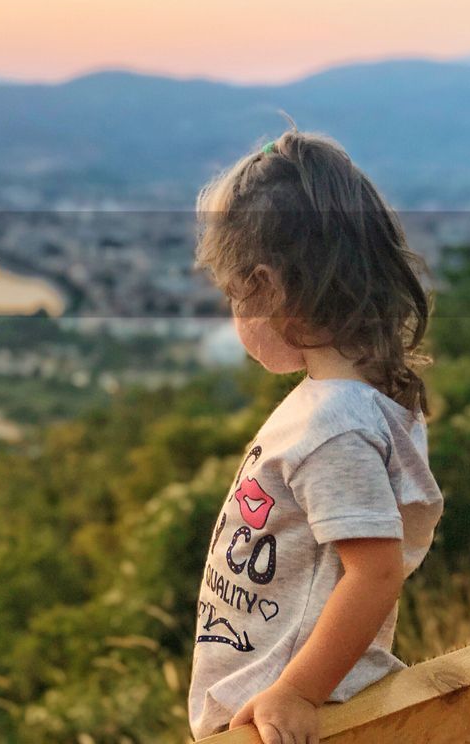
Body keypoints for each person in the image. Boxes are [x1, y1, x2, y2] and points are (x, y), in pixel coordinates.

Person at [187, 129, 445, 743]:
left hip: (286, 712)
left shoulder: (336, 424)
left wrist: (299, 692)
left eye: (233, 293)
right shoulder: (356, 402)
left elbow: (375, 572)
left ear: (272, 291)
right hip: (278, 695)